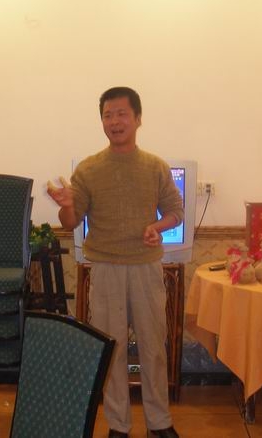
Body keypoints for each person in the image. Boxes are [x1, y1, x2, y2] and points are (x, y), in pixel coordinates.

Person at [47, 87, 183, 438]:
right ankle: (118, 425)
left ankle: (159, 422)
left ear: (137, 119)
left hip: (146, 268)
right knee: (112, 350)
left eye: (122, 114)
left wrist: (156, 227)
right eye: (108, 115)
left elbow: (175, 212)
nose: (115, 121)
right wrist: (66, 205)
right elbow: (71, 221)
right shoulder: (89, 169)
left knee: (153, 347)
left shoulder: (155, 166)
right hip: (105, 269)